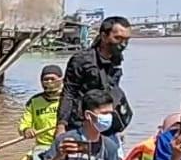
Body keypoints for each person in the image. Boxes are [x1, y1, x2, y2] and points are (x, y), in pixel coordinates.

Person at [56, 16, 134, 148]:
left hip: (108, 125)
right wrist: (61, 125)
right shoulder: (82, 60)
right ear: (104, 36)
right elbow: (69, 93)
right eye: (118, 38)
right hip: (83, 124)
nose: (123, 44)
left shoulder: (117, 59)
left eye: (126, 39)